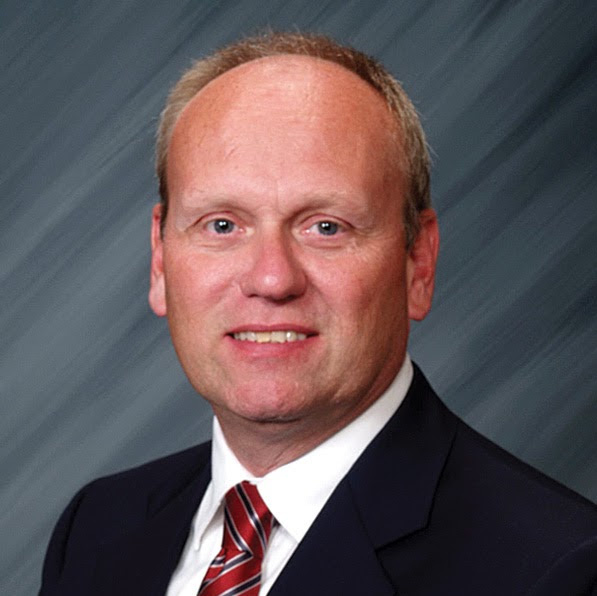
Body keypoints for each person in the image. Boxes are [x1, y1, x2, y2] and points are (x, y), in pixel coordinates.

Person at [39, 32, 597, 596]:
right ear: (160, 261)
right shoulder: (96, 530)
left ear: (418, 263)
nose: (272, 279)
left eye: (326, 227)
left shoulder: (560, 569)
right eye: (222, 225)